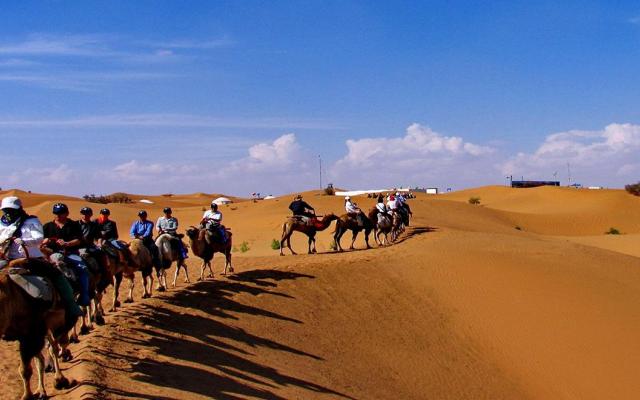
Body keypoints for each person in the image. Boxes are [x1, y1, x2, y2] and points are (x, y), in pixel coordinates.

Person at [0, 196, 83, 326]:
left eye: (11, 210)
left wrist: (25, 241)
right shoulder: (3, 223)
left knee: (57, 275)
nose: (8, 213)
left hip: (30, 259)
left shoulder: (31, 221)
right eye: (6, 210)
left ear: (19, 209)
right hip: (7, 258)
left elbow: (39, 238)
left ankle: (72, 306)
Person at [42, 203, 91, 307]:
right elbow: (40, 242)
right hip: (52, 254)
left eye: (61, 213)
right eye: (56, 213)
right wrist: (44, 242)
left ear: (67, 213)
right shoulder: (47, 226)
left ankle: (84, 296)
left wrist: (67, 243)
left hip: (70, 253)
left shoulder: (74, 225)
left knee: (82, 268)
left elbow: (79, 240)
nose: (58, 215)